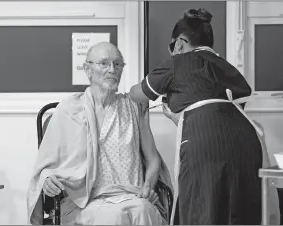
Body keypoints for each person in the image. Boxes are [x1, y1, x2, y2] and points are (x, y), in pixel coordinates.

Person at [129, 8, 268, 225]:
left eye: (172, 47)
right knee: (239, 208)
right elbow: (225, 112)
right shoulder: (228, 68)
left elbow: (137, 94)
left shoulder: (177, 63)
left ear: (178, 43)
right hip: (248, 143)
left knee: (200, 205)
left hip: (205, 143)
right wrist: (179, 119)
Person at [27, 42, 172, 225]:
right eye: (104, 63)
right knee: (116, 216)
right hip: (84, 201)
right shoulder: (69, 110)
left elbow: (153, 159)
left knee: (142, 209)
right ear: (88, 70)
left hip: (132, 195)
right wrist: (47, 179)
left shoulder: (134, 106)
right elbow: (46, 166)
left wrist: (148, 186)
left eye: (118, 64)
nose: (112, 69)